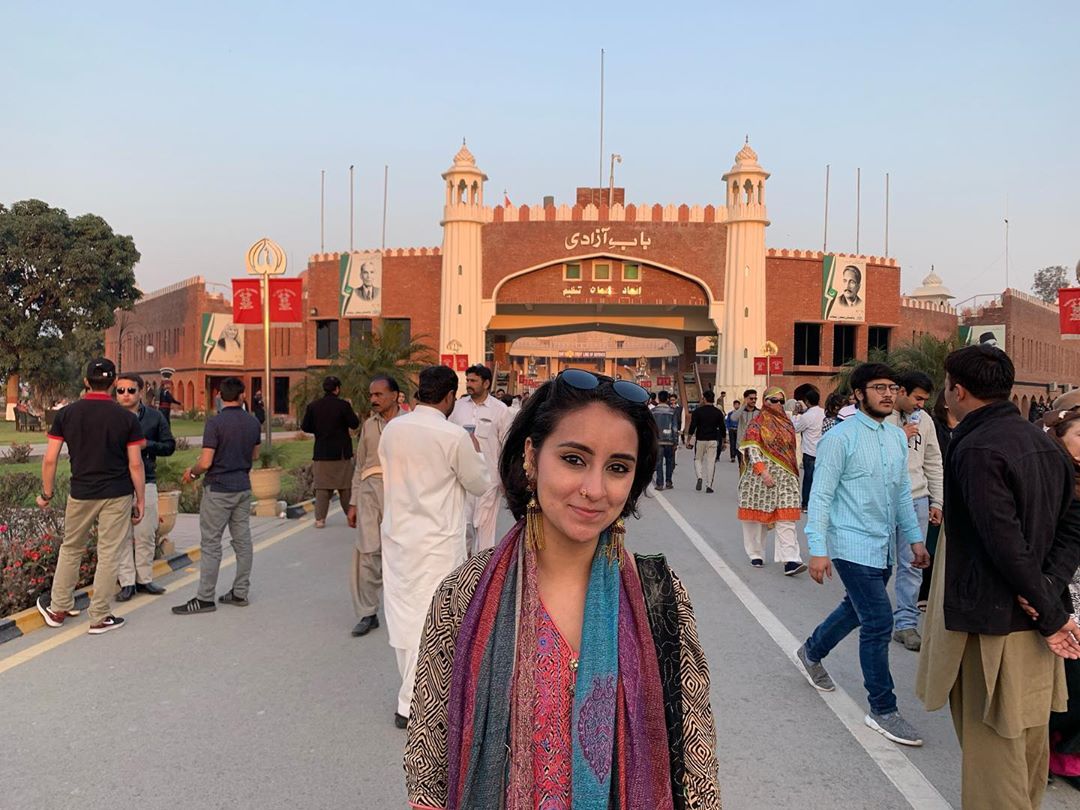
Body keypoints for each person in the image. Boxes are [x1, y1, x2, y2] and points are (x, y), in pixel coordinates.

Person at [404, 368, 721, 809]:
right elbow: (428, 765)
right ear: (531, 456)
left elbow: (696, 763)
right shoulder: (465, 591)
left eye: (617, 468)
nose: (593, 489)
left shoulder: (660, 597)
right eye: (574, 459)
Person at [916, 345, 1080, 808]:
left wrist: (1046, 609)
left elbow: (1002, 543)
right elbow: (1072, 524)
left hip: (994, 625)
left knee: (995, 754)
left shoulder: (977, 446)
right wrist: (1048, 592)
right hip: (1032, 615)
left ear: (957, 390)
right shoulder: (1043, 442)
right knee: (1028, 742)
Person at [797, 362, 929, 746]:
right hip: (851, 544)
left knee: (854, 610)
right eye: (878, 387)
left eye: (891, 387)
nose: (888, 393)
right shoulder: (840, 439)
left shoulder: (894, 437)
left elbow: (902, 493)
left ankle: (811, 652)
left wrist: (915, 539)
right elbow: (820, 495)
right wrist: (818, 550)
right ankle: (883, 708)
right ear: (858, 394)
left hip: (883, 544)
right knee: (877, 621)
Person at [379, 365, 490, 728]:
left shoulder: (393, 429)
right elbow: (478, 484)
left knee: (404, 615)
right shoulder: (453, 436)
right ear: (447, 398)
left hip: (398, 537)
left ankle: (411, 694)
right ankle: (411, 702)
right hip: (437, 541)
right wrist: (477, 453)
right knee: (434, 619)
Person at [35, 358, 145, 635]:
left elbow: (50, 460)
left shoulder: (66, 414)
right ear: (113, 383)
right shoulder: (126, 418)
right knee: (109, 554)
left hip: (81, 491)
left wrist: (46, 493)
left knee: (71, 547)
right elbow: (135, 464)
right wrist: (140, 499)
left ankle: (58, 608)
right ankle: (99, 617)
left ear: (86, 382)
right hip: (117, 493)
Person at [172, 377, 262, 615]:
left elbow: (206, 461)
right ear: (243, 396)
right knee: (243, 542)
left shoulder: (215, 423)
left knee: (211, 544)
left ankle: (204, 598)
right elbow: (254, 455)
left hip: (219, 489)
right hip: (242, 487)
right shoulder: (253, 423)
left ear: (220, 397)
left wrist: (192, 473)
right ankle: (240, 591)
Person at [880, 370, 944, 653]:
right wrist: (898, 436)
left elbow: (933, 461)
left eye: (925, 400)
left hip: (916, 498)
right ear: (901, 391)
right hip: (880, 500)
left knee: (912, 563)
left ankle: (906, 624)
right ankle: (873, 618)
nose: (921, 404)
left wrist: (937, 502)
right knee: (877, 564)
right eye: (917, 398)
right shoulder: (877, 417)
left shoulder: (926, 421)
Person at [345, 375, 402, 638]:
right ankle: (367, 613)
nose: (374, 400)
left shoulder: (409, 424)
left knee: (402, 553)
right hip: (370, 493)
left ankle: (406, 611)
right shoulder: (368, 426)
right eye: (371, 395)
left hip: (402, 494)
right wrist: (353, 502)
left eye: (379, 395)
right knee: (367, 552)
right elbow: (360, 465)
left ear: (395, 396)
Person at [1042, 408, 1080, 788]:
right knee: (1068, 681)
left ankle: (1069, 755)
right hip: (1062, 591)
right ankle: (1052, 755)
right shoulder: (1051, 479)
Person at [114, 373, 175, 601]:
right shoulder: (110, 417)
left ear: (140, 392)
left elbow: (169, 446)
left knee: (146, 532)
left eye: (131, 390)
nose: (126, 395)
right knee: (121, 535)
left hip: (146, 479)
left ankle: (144, 579)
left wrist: (146, 445)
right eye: (121, 391)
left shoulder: (155, 417)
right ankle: (127, 582)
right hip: (117, 482)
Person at [737, 386, 806, 575]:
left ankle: (790, 560)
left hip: (786, 478)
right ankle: (755, 553)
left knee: (787, 518)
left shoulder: (787, 424)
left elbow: (794, 449)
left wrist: (796, 469)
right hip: (760, 480)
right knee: (756, 521)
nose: (777, 405)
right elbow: (752, 449)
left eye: (781, 401)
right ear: (765, 402)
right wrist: (762, 471)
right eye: (773, 401)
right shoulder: (756, 424)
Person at [450, 364, 512, 554]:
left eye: (473, 381)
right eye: (468, 380)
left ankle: (482, 579)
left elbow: (506, 445)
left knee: (485, 532)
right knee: (463, 529)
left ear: (486, 383)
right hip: (462, 479)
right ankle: (462, 575)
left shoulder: (500, 410)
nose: (469, 384)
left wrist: (504, 479)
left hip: (489, 481)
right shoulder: (457, 407)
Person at [301, 375, 361, 528]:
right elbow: (354, 424)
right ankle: (351, 517)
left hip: (322, 452)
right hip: (341, 453)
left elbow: (305, 426)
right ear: (337, 389)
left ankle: (320, 519)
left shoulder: (313, 406)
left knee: (322, 488)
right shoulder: (343, 406)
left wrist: (319, 430)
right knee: (345, 487)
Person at [917, 390, 959, 610]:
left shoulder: (965, 429)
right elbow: (930, 463)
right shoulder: (934, 427)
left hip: (958, 495)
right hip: (937, 493)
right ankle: (924, 593)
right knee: (930, 546)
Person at [793, 384, 825, 511]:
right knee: (820, 480)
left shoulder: (807, 416)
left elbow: (796, 428)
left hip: (810, 451)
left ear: (807, 401)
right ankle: (818, 503)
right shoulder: (824, 413)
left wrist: (796, 415)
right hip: (822, 451)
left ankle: (805, 503)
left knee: (808, 479)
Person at [687, 389, 725, 493]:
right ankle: (709, 486)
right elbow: (722, 428)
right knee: (711, 462)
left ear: (704, 399)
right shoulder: (718, 412)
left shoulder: (697, 412)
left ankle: (699, 477)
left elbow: (692, 426)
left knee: (698, 459)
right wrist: (724, 441)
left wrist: (688, 440)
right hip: (713, 440)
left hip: (700, 439)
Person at [652, 390, 677, 489]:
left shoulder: (653, 412)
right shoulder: (672, 412)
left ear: (658, 399)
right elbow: (674, 428)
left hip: (657, 440)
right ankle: (669, 481)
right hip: (669, 440)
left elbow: (650, 427)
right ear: (667, 399)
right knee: (669, 461)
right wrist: (675, 441)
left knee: (658, 462)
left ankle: (659, 483)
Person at [734, 388, 759, 472]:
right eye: (751, 398)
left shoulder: (759, 412)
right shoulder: (741, 412)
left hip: (754, 445)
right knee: (742, 469)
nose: (753, 400)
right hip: (741, 445)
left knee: (754, 470)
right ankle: (742, 485)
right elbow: (733, 418)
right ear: (746, 399)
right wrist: (743, 405)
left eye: (755, 398)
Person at [725, 398, 741, 463]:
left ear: (739, 405)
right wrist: (728, 428)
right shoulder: (730, 413)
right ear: (734, 405)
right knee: (732, 443)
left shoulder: (741, 414)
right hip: (732, 429)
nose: (736, 406)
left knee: (738, 443)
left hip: (738, 430)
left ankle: (739, 456)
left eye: (738, 404)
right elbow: (727, 421)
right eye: (735, 404)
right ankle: (732, 457)